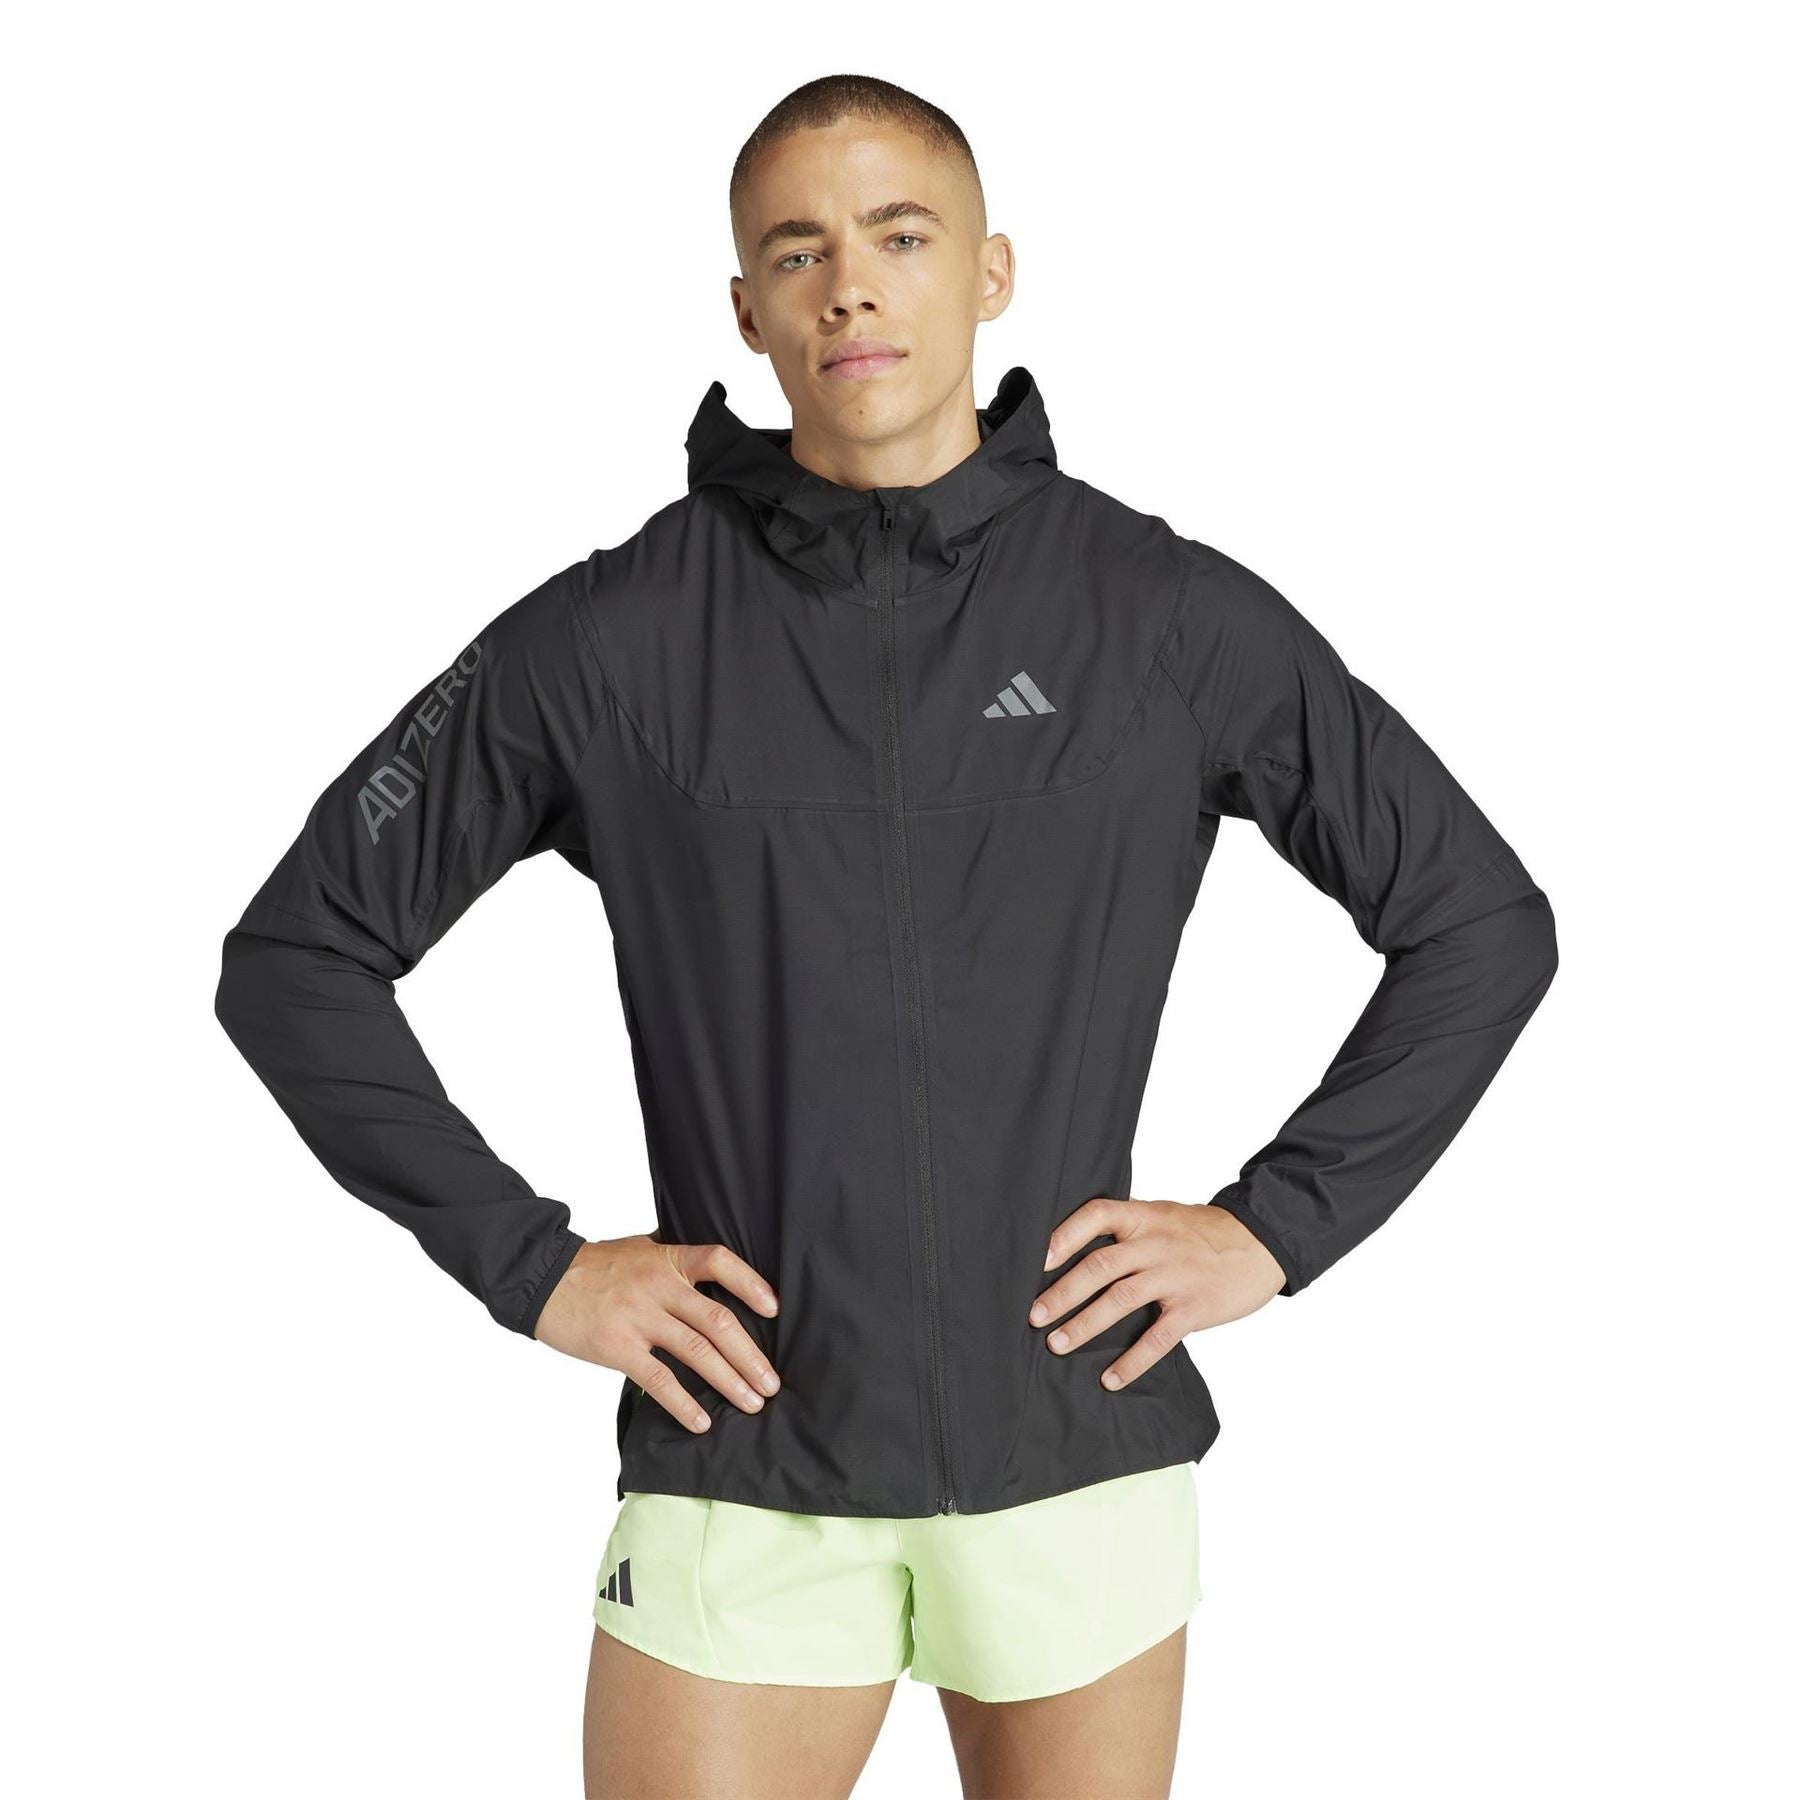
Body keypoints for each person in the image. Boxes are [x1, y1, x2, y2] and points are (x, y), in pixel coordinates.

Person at [214, 72, 1559, 1800]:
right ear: (748, 309)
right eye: (799, 252)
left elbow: (1478, 921)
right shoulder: (611, 639)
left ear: (991, 272)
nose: (850, 286)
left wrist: (1274, 1230)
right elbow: (298, 958)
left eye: (899, 237)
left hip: (1074, 1451)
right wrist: (533, 1267)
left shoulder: (1161, 613)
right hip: (747, 1469)